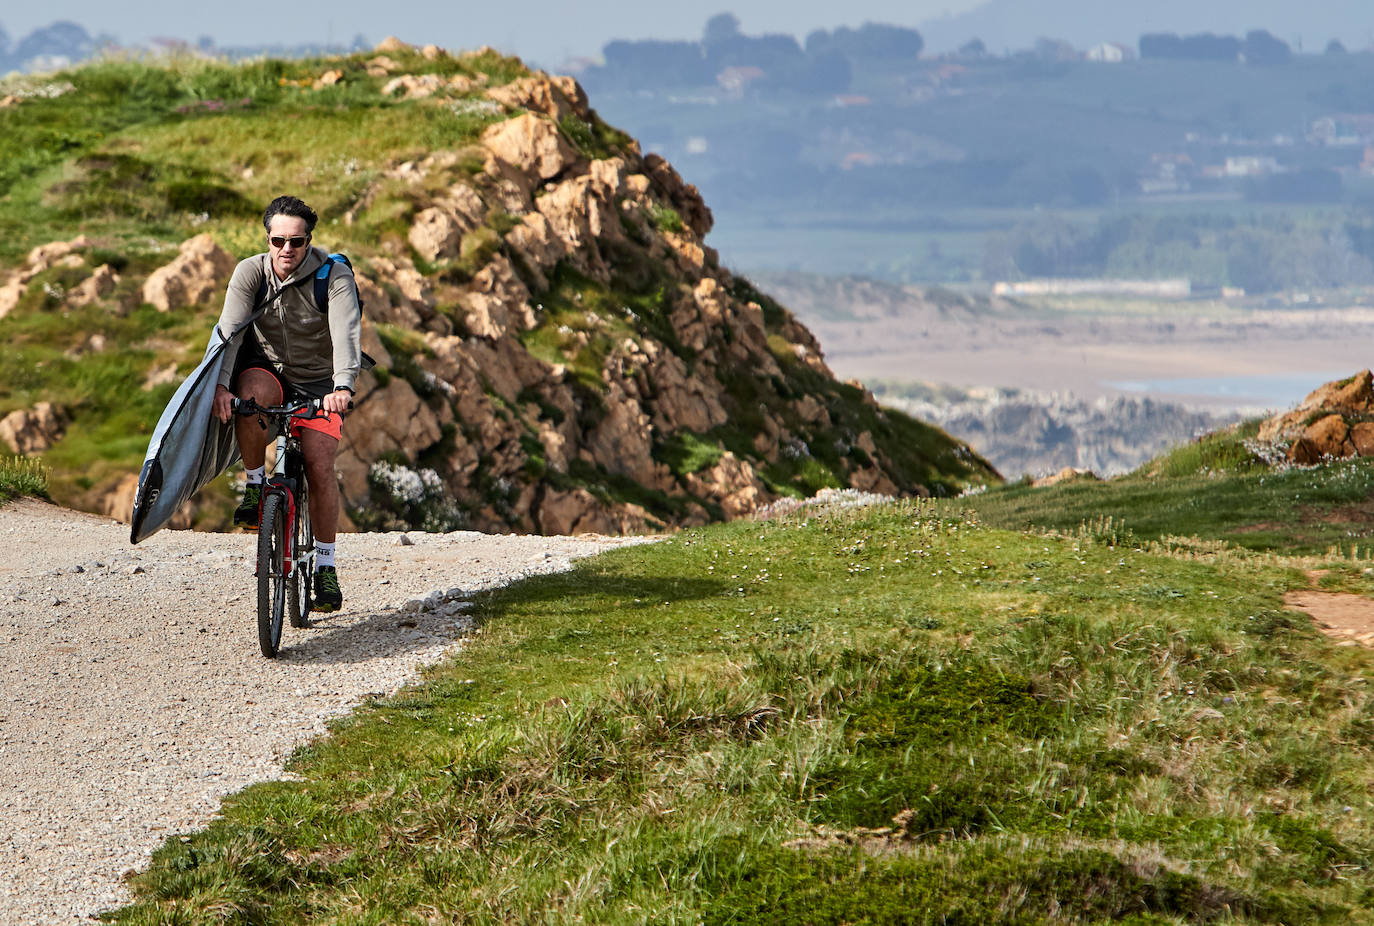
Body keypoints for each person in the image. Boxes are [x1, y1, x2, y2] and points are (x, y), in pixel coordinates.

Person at [211, 195, 361, 613]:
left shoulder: (333, 277)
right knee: (249, 398)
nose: (286, 250)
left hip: (320, 383)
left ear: (309, 241)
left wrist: (342, 387)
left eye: (296, 242)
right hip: (270, 370)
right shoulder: (250, 273)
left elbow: (346, 333)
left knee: (318, 461)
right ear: (267, 239)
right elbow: (229, 334)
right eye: (278, 241)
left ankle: (326, 567)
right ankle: (257, 486)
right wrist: (222, 387)